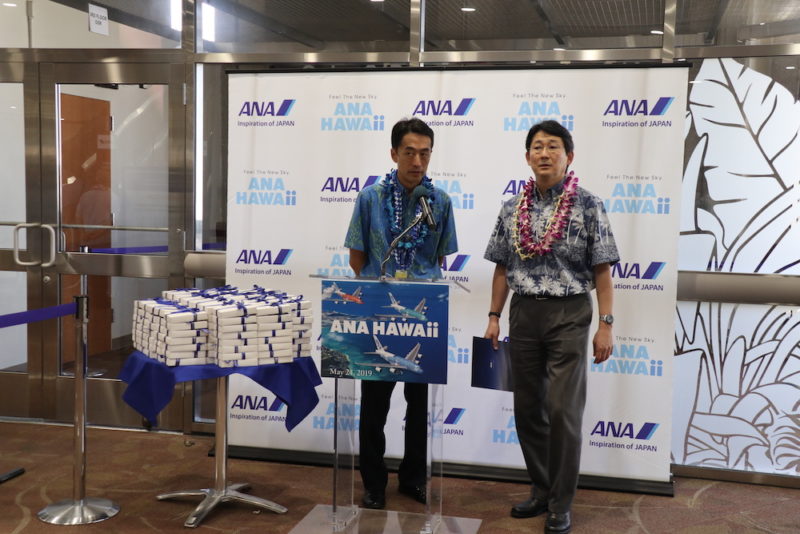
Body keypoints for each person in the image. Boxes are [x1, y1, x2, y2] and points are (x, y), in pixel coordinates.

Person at [483, 120, 619, 534]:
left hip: (570, 314)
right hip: (524, 313)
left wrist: (606, 324)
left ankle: (561, 503)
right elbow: (503, 268)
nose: (544, 153)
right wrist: (493, 316)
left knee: (563, 411)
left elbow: (602, 271)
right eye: (537, 147)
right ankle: (541, 490)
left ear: (569, 156)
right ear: (527, 157)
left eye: (553, 147)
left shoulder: (589, 204)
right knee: (528, 410)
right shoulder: (511, 208)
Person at [345, 117, 458, 510]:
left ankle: (413, 478)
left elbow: (441, 255)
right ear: (394, 153)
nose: (417, 161)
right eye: (409, 152)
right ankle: (373, 482)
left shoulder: (440, 201)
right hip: (380, 310)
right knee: (374, 404)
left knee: (419, 403)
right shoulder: (369, 198)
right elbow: (357, 258)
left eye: (425, 153)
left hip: (423, 318)